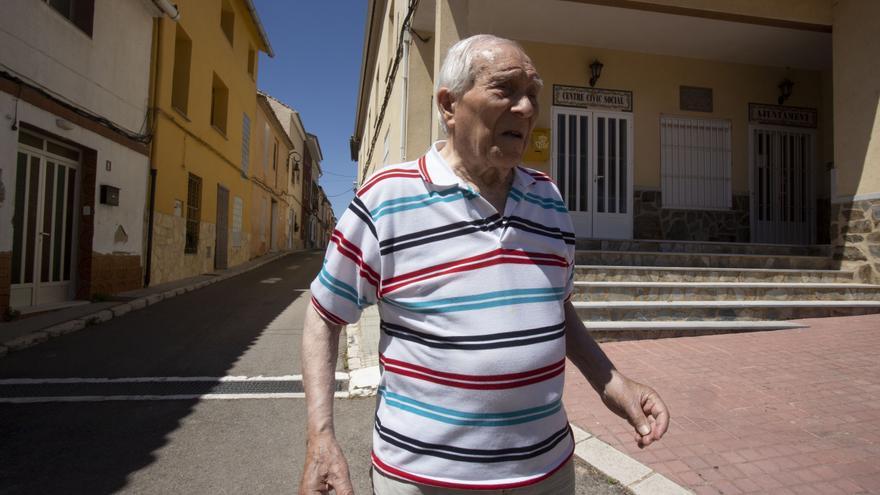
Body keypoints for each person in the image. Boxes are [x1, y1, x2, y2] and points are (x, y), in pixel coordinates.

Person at [300, 34, 669, 495]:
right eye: (506, 89)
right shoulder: (386, 200)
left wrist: (612, 382)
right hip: (424, 479)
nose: (526, 108)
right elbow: (323, 315)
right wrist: (321, 437)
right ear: (448, 104)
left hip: (546, 472)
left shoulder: (549, 200)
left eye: (532, 93)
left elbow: (558, 310)